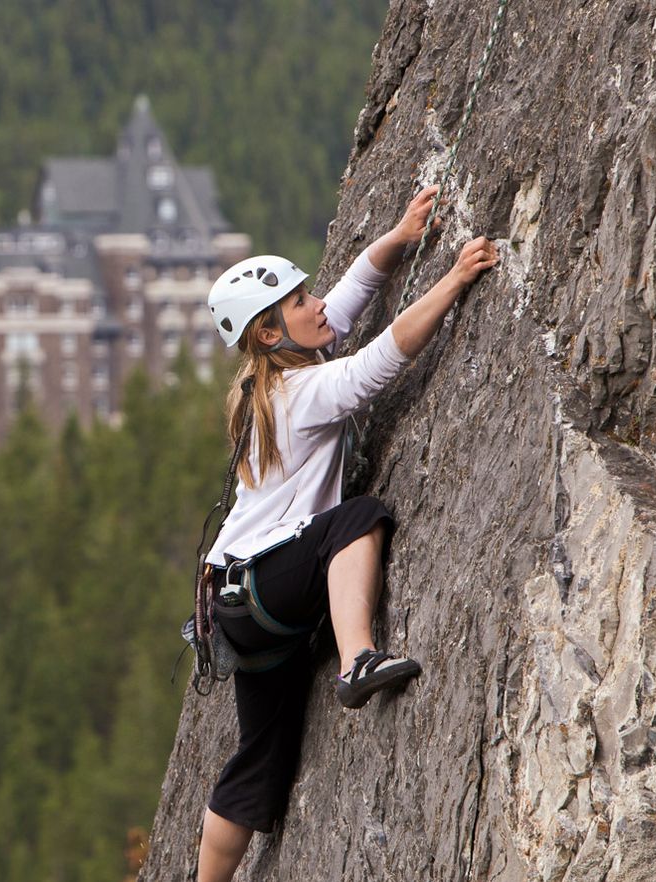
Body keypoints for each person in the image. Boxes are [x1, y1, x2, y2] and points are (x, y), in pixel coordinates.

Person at [193, 186, 498, 880]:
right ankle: (360, 660)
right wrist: (452, 278)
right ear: (271, 332)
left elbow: (352, 294)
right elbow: (377, 364)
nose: (317, 304)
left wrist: (399, 237)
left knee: (258, 762)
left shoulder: (268, 383)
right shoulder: (299, 394)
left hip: (236, 606)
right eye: (300, 301)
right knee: (358, 518)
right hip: (267, 589)